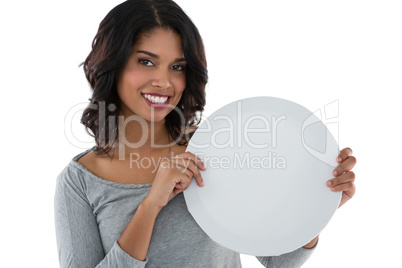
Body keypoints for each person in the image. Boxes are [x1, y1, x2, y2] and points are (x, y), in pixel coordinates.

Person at [54, 0, 357, 267]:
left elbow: (277, 261)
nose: (164, 81)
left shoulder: (214, 147)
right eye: (146, 61)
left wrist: (317, 205)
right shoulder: (80, 182)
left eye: (177, 66)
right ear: (113, 65)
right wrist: (150, 207)